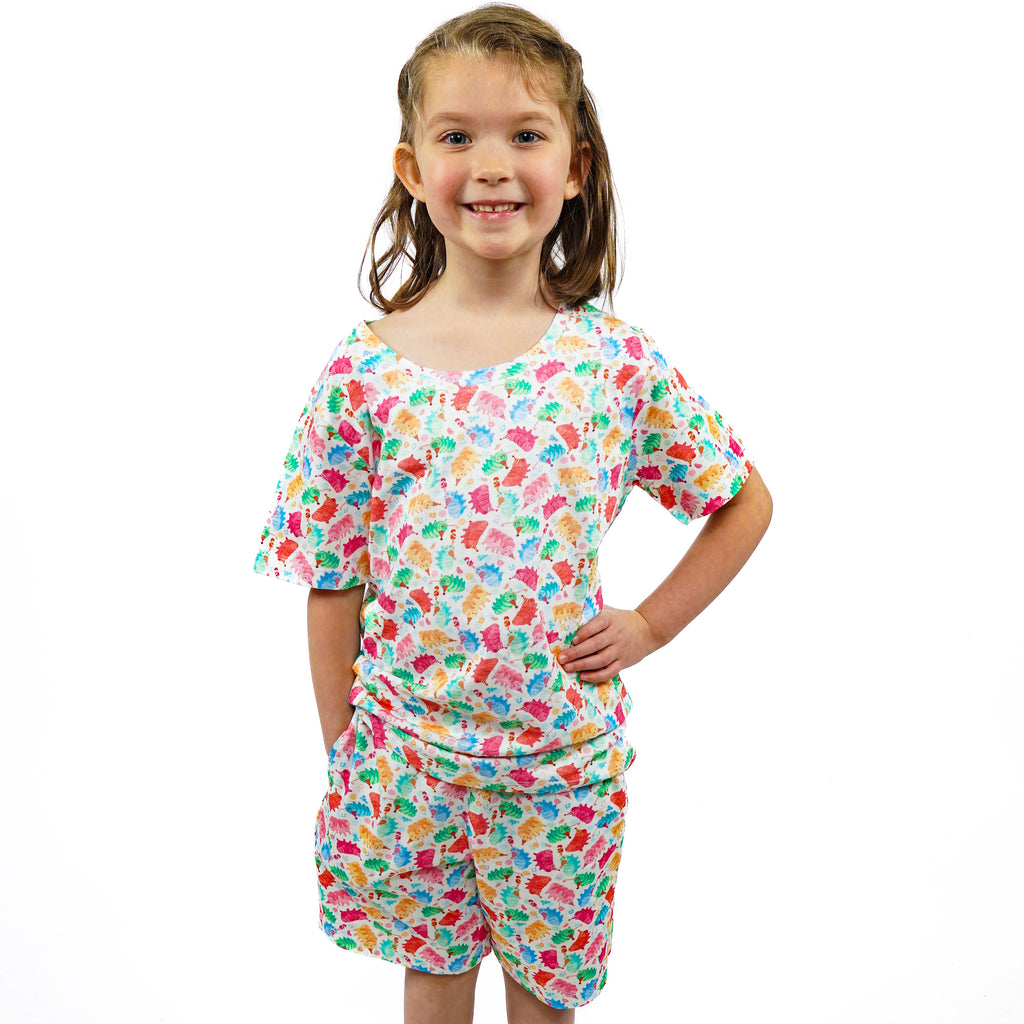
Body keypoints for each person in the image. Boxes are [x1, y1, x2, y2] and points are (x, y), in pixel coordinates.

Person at [252, 4, 772, 1022]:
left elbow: (741, 500)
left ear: (575, 167)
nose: (491, 166)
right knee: (434, 981)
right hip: (408, 761)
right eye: (458, 136)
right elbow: (330, 578)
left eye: (525, 135)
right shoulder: (363, 375)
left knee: (545, 997)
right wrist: (347, 751)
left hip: (560, 765)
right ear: (413, 169)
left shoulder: (613, 363)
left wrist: (649, 624)